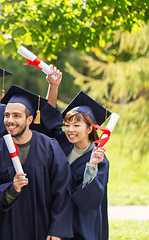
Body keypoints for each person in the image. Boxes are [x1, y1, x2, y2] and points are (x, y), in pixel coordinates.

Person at [0, 84, 73, 240]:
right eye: (7, 115)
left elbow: (62, 189)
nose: (10, 120)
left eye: (16, 116)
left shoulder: (49, 147)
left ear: (29, 119)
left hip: (42, 227)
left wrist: (57, 229)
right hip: (7, 228)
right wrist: (11, 189)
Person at [41, 71, 110, 240]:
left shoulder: (99, 159)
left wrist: (92, 165)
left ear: (89, 128)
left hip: (82, 222)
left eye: (76, 125)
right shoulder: (61, 142)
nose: (70, 130)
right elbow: (48, 123)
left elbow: (92, 198)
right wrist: (53, 86)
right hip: (57, 215)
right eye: (67, 124)